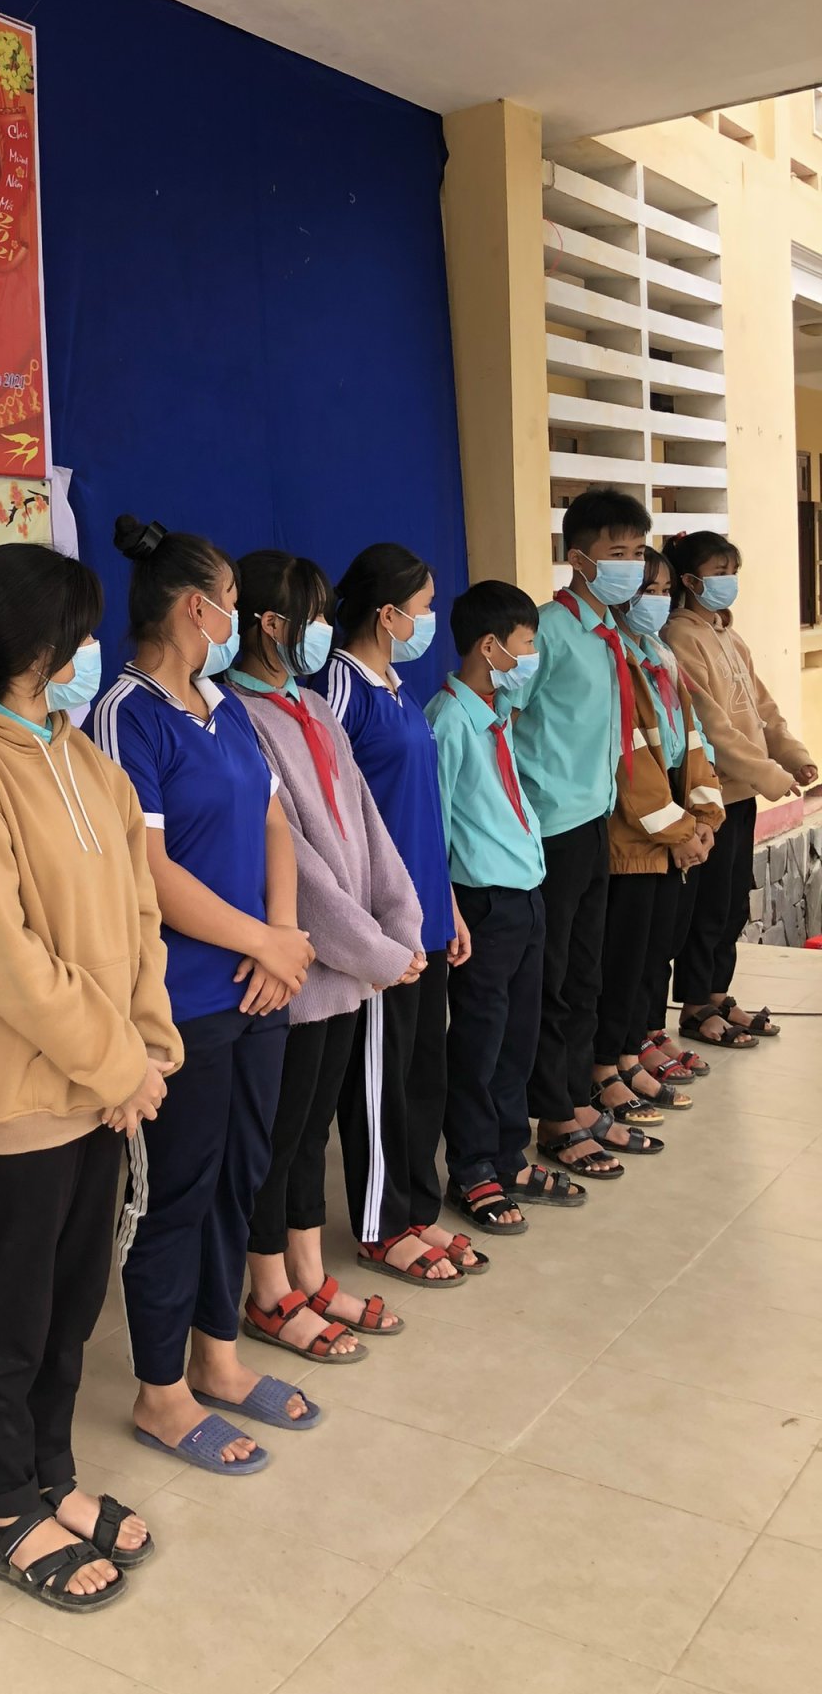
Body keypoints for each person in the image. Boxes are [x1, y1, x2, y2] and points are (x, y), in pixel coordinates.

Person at [0, 544, 181, 1609]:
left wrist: (147, 1045)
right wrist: (118, 1061)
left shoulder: (81, 756)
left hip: (99, 1093)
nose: (98, 653)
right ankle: (4, 1502)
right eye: (85, 636)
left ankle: (51, 1471)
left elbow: (140, 912)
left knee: (71, 1304)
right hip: (12, 1103)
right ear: (42, 648)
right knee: (6, 1316)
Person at [93, 515, 316, 1475]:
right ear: (196, 608)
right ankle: (161, 1391)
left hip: (259, 989)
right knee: (175, 1193)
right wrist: (262, 940)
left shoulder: (224, 707)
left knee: (240, 1175)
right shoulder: (127, 713)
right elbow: (147, 870)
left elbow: (273, 822)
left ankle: (218, 1357)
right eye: (230, 603)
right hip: (180, 1002)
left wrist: (283, 940)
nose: (237, 618)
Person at [225, 548, 422, 1360]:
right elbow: (297, 866)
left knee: (311, 1136)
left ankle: (307, 1271)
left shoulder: (313, 707)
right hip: (302, 970)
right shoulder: (237, 715)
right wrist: (372, 949)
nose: (323, 633)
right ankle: (268, 1289)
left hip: (348, 971)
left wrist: (400, 928)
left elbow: (369, 826)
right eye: (311, 619)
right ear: (271, 624)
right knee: (277, 1138)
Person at [324, 545, 481, 1285]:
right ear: (386, 614)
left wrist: (447, 905)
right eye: (422, 608)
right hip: (381, 927)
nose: (430, 620)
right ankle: (382, 1226)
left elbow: (420, 810)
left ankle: (418, 1209)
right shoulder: (341, 689)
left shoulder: (397, 686)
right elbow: (326, 814)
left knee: (422, 1074)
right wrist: (365, 928)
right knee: (378, 1083)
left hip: (426, 915)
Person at [505, 488, 659, 1180]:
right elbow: (503, 720)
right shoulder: (545, 632)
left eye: (637, 553)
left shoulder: (610, 636)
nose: (631, 566)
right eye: (616, 553)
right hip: (552, 830)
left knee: (586, 971)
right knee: (555, 978)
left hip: (595, 819)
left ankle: (576, 1095)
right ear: (578, 558)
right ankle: (554, 1116)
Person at [426, 582, 587, 1232]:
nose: (533, 658)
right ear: (490, 647)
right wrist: (450, 912)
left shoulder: (496, 713)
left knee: (518, 1036)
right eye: (526, 645)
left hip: (526, 894)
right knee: (479, 1042)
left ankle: (508, 1154)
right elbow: (432, 827)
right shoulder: (447, 722)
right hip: (482, 904)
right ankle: (471, 1168)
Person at [664, 531, 817, 1049]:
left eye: (733, 572)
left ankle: (718, 993)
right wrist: (769, 775)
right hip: (711, 797)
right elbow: (712, 727)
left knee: (732, 904)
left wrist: (793, 756)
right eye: (718, 573)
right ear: (690, 581)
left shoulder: (729, 636)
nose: (729, 583)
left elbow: (762, 709)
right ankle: (695, 1006)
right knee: (707, 906)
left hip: (742, 793)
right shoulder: (680, 637)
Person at [591, 549, 724, 1121]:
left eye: (666, 589)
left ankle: (635, 1045)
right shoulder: (613, 657)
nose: (659, 600)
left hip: (672, 828)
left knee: (654, 953)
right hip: (636, 838)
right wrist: (682, 829)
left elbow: (691, 739)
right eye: (649, 589)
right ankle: (610, 1063)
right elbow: (631, 763)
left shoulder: (660, 656)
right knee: (622, 961)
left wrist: (705, 817)